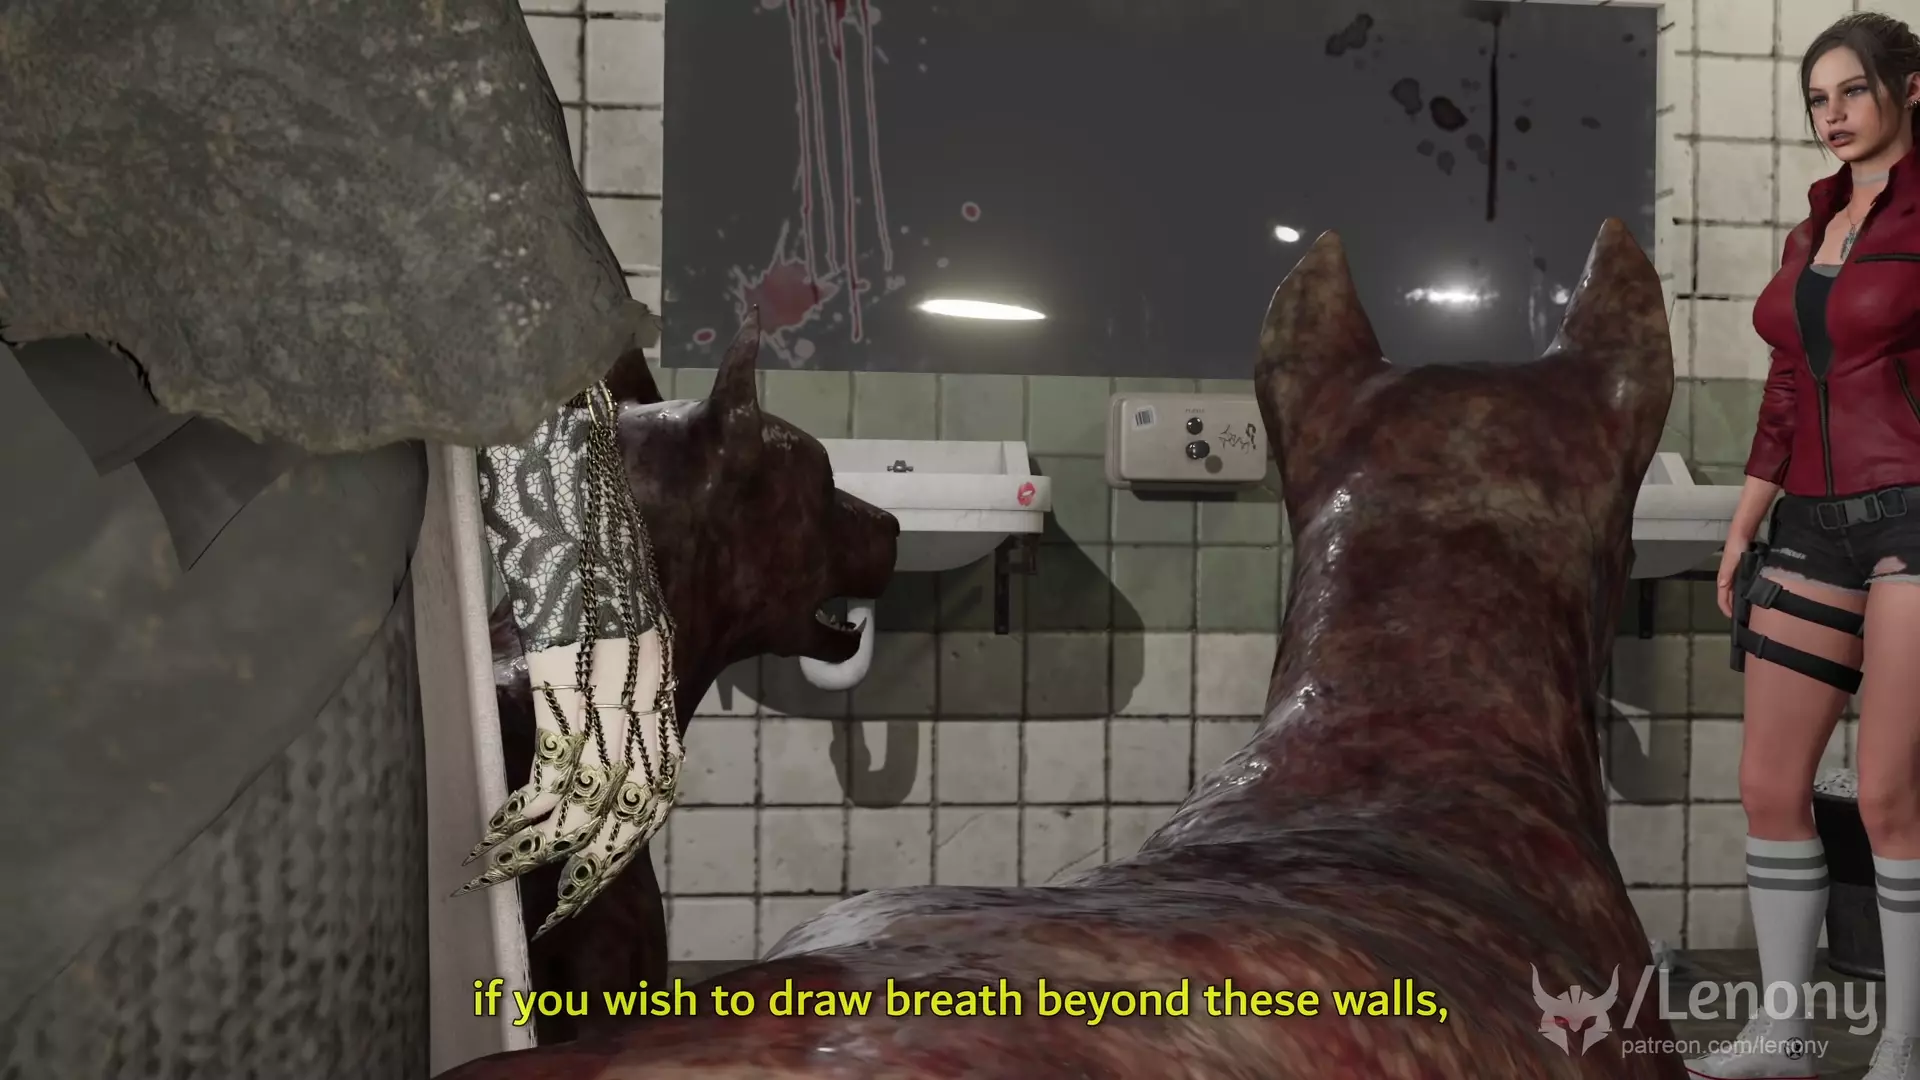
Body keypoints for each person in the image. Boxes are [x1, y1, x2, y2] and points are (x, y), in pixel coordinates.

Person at [1691, 12, 1920, 1080]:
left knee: (1887, 797)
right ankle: (1782, 1035)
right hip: (1812, 527)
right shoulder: (1811, 231)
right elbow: (1788, 389)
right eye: (1817, 99)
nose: (1833, 114)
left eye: (1853, 91)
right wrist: (1744, 525)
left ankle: (1902, 1043)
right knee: (1769, 785)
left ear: (1909, 89)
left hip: (1914, 521)